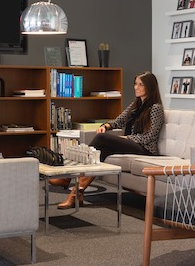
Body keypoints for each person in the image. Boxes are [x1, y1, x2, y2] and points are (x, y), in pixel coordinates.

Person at [49, 72, 164, 209]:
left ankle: (68, 177)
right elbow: (119, 121)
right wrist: (106, 126)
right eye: (135, 84)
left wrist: (127, 138)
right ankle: (76, 193)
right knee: (100, 152)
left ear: (149, 87)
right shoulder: (136, 105)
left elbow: (150, 136)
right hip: (134, 144)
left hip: (145, 149)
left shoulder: (156, 108)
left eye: (140, 84)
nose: (136, 87)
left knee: (102, 139)